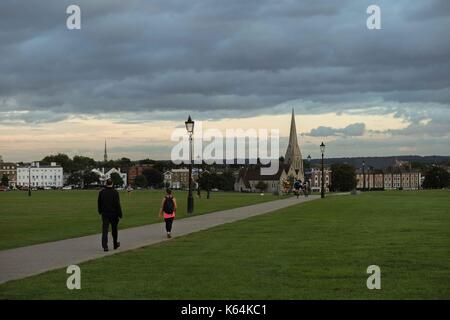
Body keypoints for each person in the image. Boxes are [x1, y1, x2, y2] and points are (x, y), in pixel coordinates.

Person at [97, 178, 122, 252]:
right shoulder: (115, 192)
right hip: (114, 213)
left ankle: (105, 246)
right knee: (114, 230)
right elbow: (117, 204)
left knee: (105, 230)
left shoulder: (101, 192)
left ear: (106, 183)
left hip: (105, 213)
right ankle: (115, 244)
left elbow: (99, 203)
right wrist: (120, 214)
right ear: (112, 183)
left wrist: (100, 211)